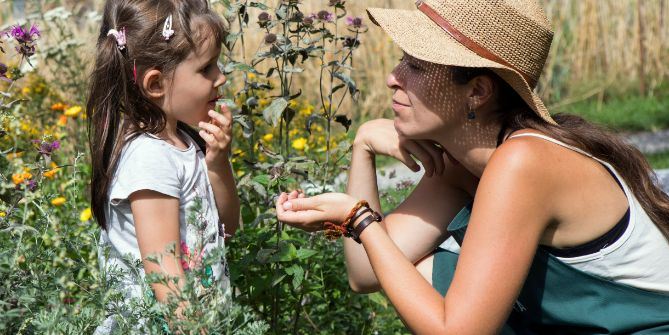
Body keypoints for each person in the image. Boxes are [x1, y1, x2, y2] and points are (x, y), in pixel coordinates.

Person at [276, 0, 669, 333]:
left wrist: (359, 219)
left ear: (478, 91)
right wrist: (362, 145)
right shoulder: (466, 165)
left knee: (439, 279)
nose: (392, 78)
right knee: (430, 273)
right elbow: (365, 273)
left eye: (417, 66)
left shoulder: (522, 163)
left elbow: (457, 332)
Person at [85, 0, 239, 332]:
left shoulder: (183, 143)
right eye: (207, 68)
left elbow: (227, 227)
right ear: (156, 84)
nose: (221, 77)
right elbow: (165, 273)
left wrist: (217, 164)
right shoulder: (149, 159)